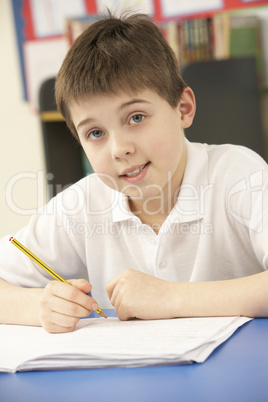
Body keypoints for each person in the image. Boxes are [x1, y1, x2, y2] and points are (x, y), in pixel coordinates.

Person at [0, 11, 268, 333]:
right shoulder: (81, 206)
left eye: (136, 117)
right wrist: (38, 306)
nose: (119, 149)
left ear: (183, 108)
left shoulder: (238, 175)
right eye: (95, 133)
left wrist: (171, 298)